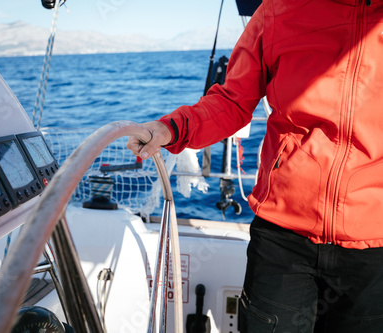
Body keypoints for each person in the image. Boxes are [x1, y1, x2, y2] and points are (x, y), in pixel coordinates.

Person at [127, 0, 383, 332]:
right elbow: (232, 101)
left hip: (373, 247)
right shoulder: (280, 9)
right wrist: (172, 128)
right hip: (283, 238)